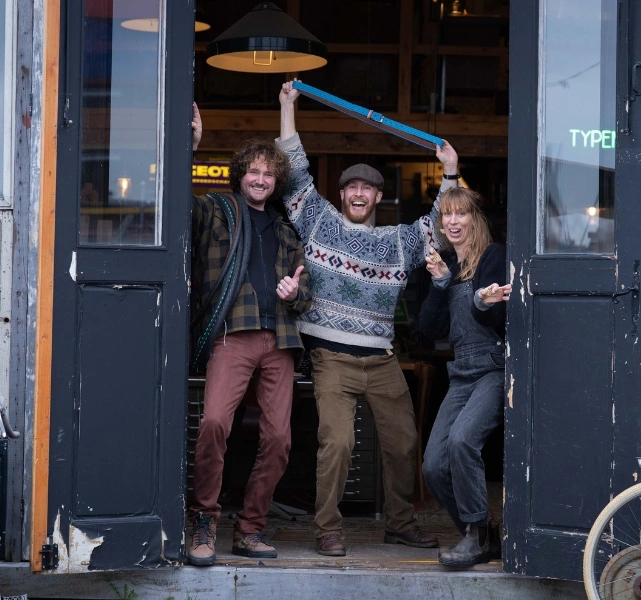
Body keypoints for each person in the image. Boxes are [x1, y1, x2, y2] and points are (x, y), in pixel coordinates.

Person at [276, 80, 458, 556]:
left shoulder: (399, 241)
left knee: (403, 441)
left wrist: (452, 172)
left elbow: (443, 222)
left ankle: (399, 523)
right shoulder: (318, 220)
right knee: (337, 443)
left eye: (368, 189)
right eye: (352, 187)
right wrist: (287, 108)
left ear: (378, 197)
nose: (359, 194)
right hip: (331, 357)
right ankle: (327, 529)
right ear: (341, 195)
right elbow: (294, 171)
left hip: (380, 360)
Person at [188, 105, 312, 565]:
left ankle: (250, 528)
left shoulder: (285, 231)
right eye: (253, 171)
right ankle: (203, 521)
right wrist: (192, 146)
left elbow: (306, 296)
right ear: (240, 175)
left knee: (279, 438)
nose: (260, 179)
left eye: (268, 173)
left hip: (280, 339)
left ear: (276, 181)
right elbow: (177, 201)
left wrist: (295, 291)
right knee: (215, 423)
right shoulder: (216, 213)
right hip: (232, 334)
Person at [418, 186, 511, 567]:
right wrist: (440, 285)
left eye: (461, 214)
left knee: (462, 442)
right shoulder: (446, 266)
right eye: (447, 216)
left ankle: (474, 537)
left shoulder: (494, 256)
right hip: (461, 373)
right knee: (432, 466)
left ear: (475, 218)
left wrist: (481, 302)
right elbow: (429, 328)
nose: (453, 222)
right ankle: (483, 534)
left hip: (492, 367)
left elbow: (502, 318)